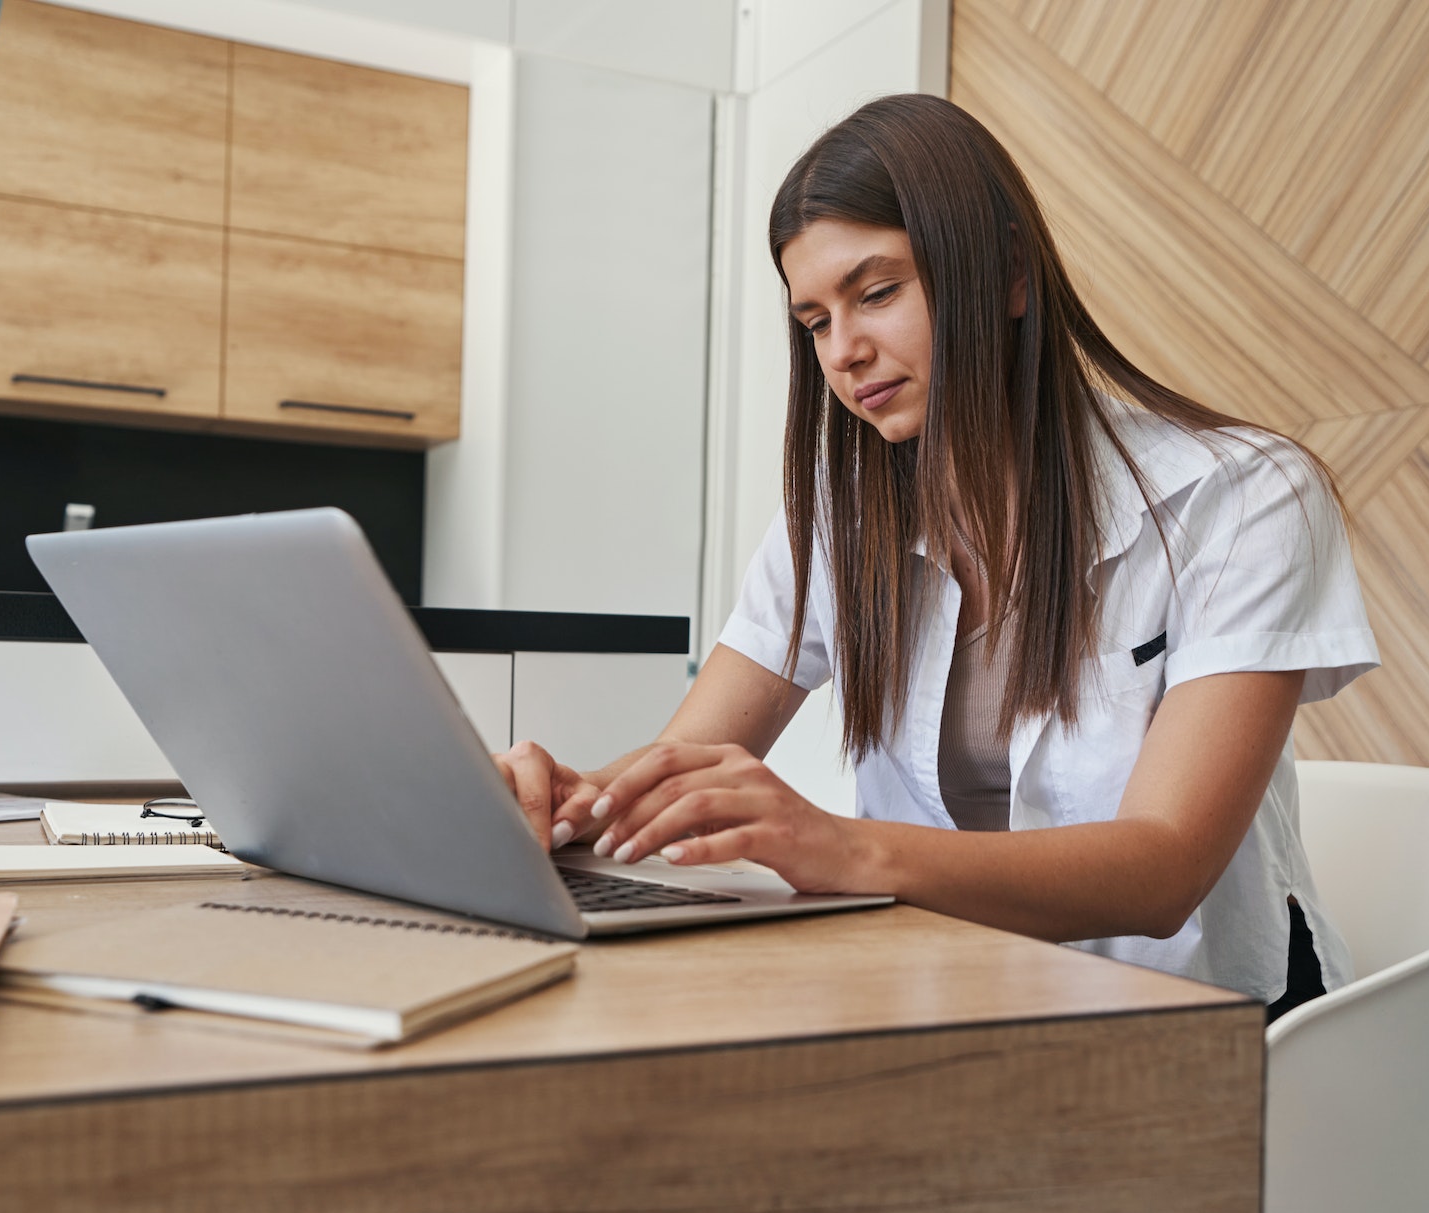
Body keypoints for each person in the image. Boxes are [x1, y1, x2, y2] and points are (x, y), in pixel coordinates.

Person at [495, 94, 1377, 1017]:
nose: (845, 353)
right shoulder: (843, 518)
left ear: (1008, 277)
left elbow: (1162, 869)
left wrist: (841, 848)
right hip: (968, 1000)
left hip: (1204, 1028)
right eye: (814, 322)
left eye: (875, 293)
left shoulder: (1243, 497)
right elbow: (682, 768)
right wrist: (555, 800)